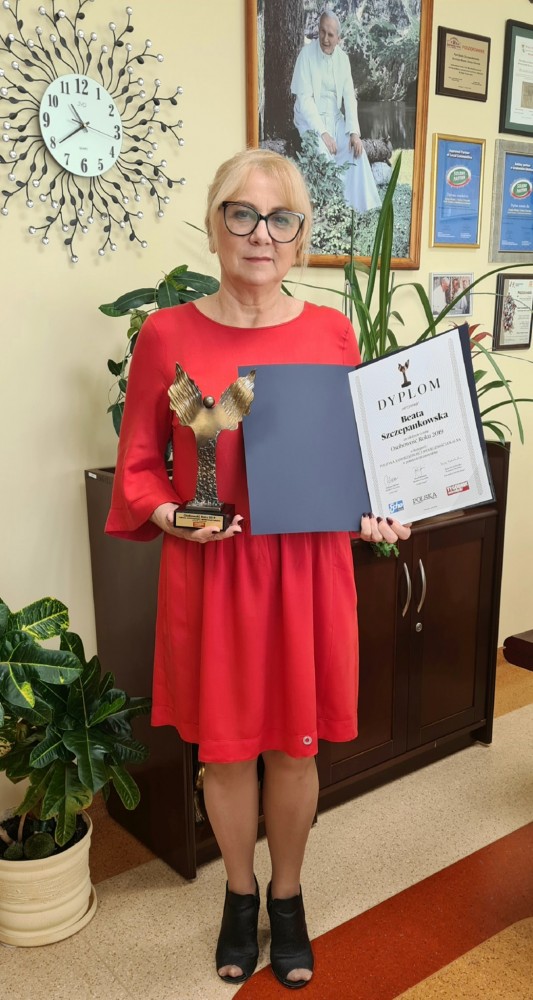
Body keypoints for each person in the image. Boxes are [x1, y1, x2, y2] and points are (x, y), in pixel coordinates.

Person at [105, 147, 410, 990]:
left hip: (307, 571)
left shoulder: (331, 333)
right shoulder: (165, 334)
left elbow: (354, 456)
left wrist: (378, 508)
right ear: (214, 225)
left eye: (281, 218)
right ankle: (239, 896)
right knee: (229, 753)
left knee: (295, 750)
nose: (260, 233)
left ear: (301, 235)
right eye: (241, 213)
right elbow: (138, 467)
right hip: (214, 575)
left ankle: (287, 896)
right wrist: (171, 514)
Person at [290, 10, 381, 213]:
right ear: (318, 29)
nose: (325, 38)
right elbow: (305, 100)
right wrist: (323, 132)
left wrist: (354, 133)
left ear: (338, 38)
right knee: (324, 156)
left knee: (356, 152)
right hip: (309, 119)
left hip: (335, 117)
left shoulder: (343, 59)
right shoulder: (306, 55)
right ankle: (336, 210)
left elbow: (349, 97)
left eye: (331, 35)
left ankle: (363, 209)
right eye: (322, 31)